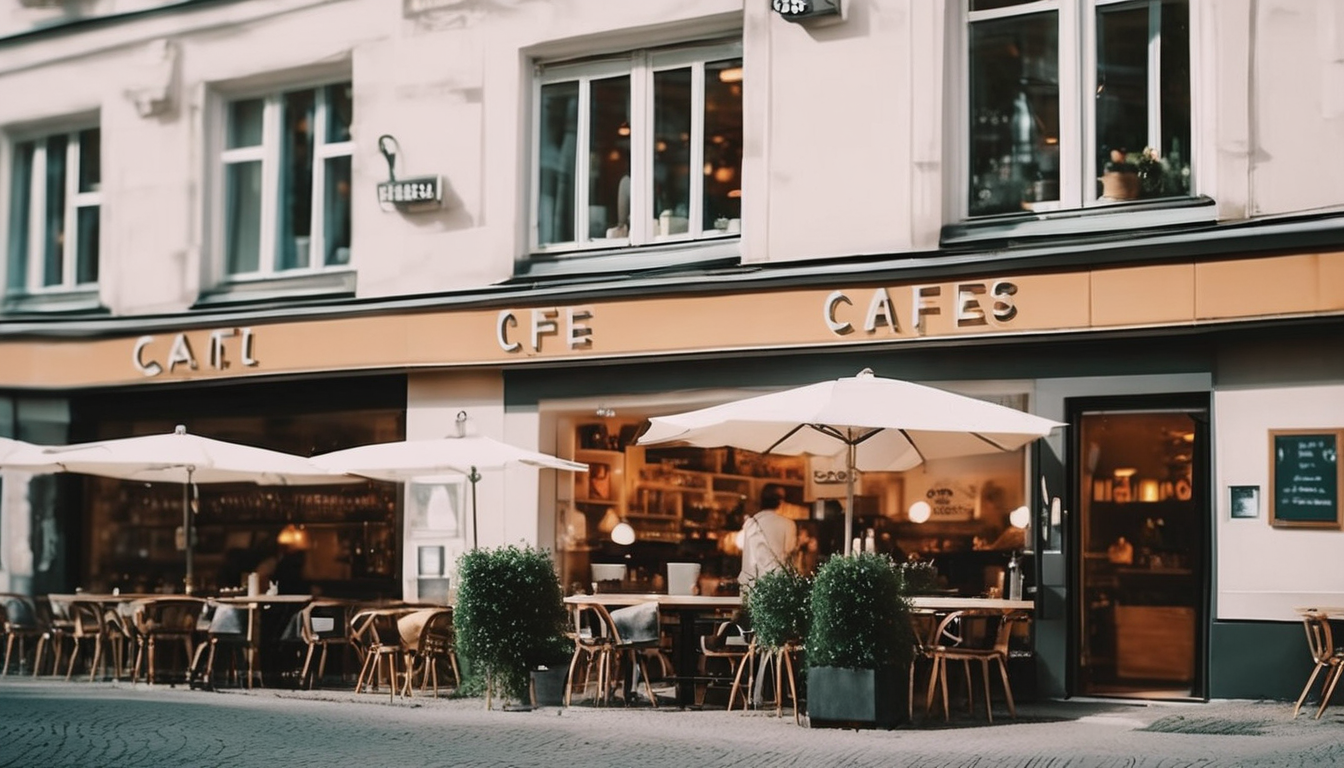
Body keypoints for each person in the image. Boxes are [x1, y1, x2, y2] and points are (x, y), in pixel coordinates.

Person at [737, 484, 799, 587]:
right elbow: (789, 548)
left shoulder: (751, 523)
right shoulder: (788, 524)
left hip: (753, 583)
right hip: (777, 583)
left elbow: (740, 544)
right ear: (780, 502)